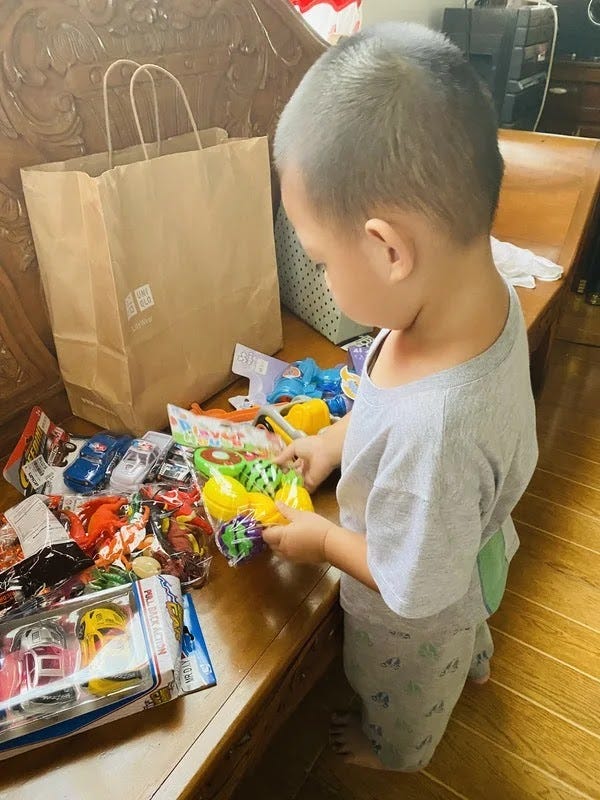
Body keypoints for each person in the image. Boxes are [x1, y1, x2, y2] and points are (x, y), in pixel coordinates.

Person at [262, 22, 538, 772]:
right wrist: (334, 440)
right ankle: (474, 658)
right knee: (469, 614)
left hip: (415, 617)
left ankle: (398, 753)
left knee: (406, 690)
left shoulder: (438, 433)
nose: (318, 279)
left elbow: (414, 583)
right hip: (471, 536)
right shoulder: (477, 298)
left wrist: (321, 541)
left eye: (318, 260)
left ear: (387, 249)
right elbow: (386, 401)